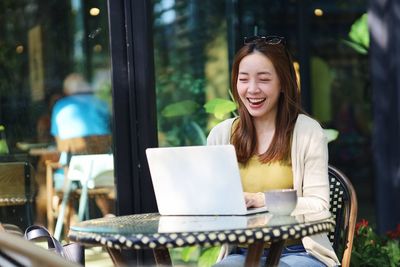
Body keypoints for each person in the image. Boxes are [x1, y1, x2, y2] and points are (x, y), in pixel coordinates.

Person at [207, 36, 340, 267]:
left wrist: (262, 200)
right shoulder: (221, 135)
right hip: (241, 253)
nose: (252, 89)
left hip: (299, 252)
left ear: (283, 83)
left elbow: (319, 207)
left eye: (264, 79)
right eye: (243, 79)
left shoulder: (307, 132)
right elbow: (211, 204)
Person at [50, 73, 113, 216]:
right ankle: (108, 215)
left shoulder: (60, 106)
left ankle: (70, 223)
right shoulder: (102, 103)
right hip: (104, 171)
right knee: (102, 184)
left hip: (73, 173)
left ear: (67, 91)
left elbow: (60, 145)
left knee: (53, 177)